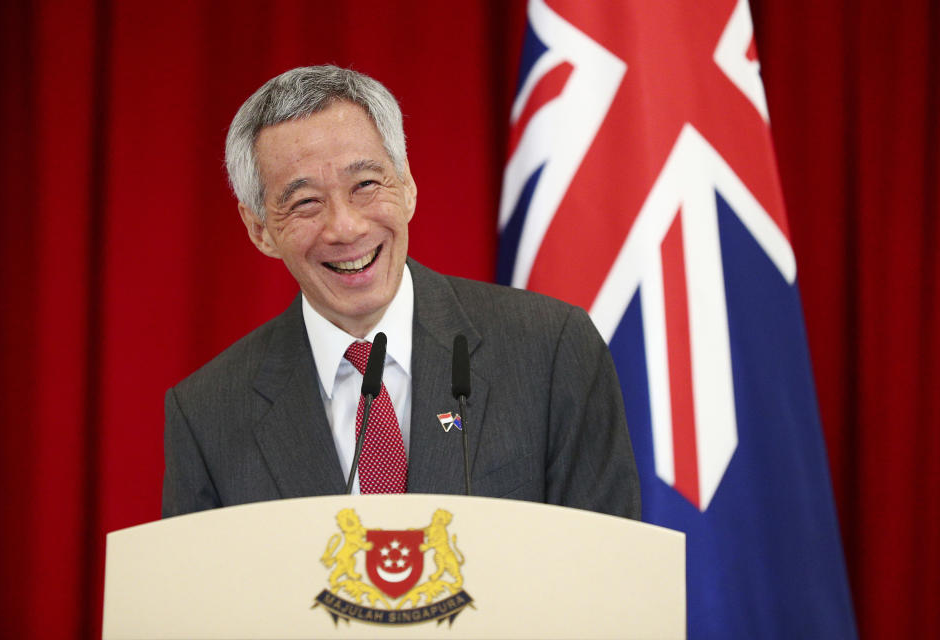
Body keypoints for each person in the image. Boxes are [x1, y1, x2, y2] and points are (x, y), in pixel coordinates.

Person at [162, 65, 640, 520]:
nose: (345, 227)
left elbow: (609, 574)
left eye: (365, 184)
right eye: (306, 202)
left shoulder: (550, 348)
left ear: (407, 185)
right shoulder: (208, 413)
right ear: (260, 229)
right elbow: (199, 600)